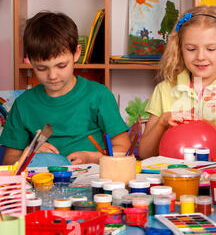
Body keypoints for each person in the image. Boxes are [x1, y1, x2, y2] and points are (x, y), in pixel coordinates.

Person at [0, 11, 130, 165]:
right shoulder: (23, 104)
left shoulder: (99, 95)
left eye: (61, 65)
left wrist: (92, 157)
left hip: (90, 181)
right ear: (30, 61)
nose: (52, 76)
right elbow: (8, 162)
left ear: (76, 53)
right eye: (41, 68)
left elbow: (123, 148)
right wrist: (28, 153)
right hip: (42, 184)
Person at [139, 5, 216, 162]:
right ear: (180, 50)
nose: (200, 56)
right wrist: (162, 121)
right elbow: (145, 154)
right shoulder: (165, 89)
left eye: (211, 49)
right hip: (175, 181)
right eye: (191, 49)